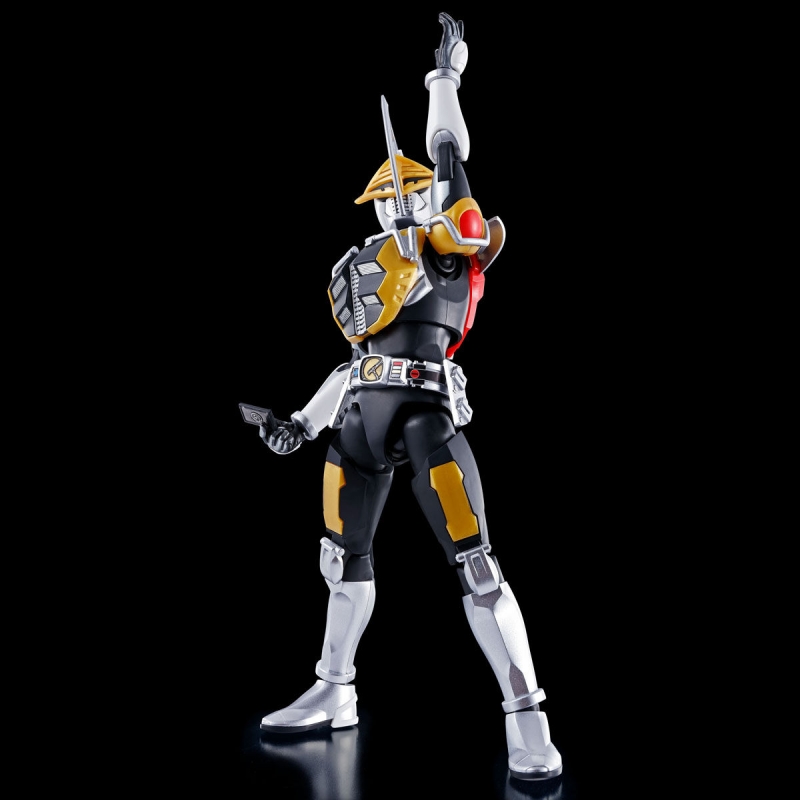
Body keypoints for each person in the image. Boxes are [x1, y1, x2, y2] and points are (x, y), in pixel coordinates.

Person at [243, 11, 562, 782]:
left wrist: (445, 77)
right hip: (358, 421)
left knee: (476, 566)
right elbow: (355, 363)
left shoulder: (448, 250)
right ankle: (335, 690)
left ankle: (527, 717)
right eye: (383, 199)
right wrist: (303, 422)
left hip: (425, 419)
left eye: (404, 193)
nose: (392, 207)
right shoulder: (370, 268)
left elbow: (449, 153)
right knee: (340, 559)